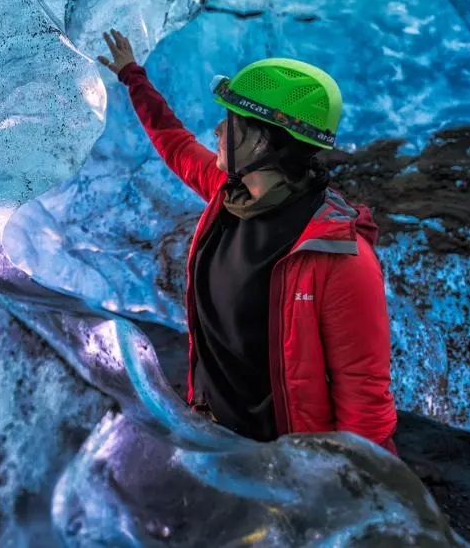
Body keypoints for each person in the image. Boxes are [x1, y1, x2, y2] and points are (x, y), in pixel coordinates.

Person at [98, 29, 398, 453]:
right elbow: (174, 141)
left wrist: (359, 495)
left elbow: (363, 395)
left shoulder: (340, 255)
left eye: (232, 120)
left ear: (262, 141)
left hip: (283, 468)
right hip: (212, 437)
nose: (218, 129)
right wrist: (134, 76)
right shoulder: (230, 195)